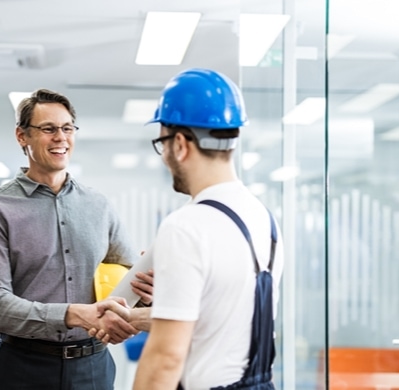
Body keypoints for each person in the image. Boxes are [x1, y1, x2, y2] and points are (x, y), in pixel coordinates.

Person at [93, 68, 285, 390]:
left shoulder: (186, 226)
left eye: (162, 143)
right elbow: (219, 320)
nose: (165, 155)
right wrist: (137, 317)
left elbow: (165, 359)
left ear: (180, 144)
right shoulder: (263, 218)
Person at [0, 88, 153, 390]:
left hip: (92, 367)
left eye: (67, 128)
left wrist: (146, 290)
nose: (61, 137)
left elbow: (129, 279)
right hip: (22, 367)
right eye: (48, 129)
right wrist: (73, 314)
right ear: (22, 136)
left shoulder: (98, 205)